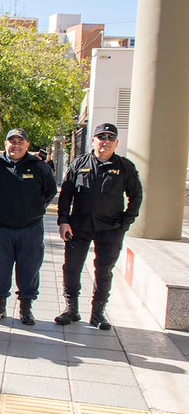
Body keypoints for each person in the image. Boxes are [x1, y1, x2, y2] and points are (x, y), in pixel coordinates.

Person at [55, 123, 142, 330]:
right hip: (78, 227)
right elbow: (66, 194)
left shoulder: (124, 167)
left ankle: (98, 313)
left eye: (111, 138)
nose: (106, 141)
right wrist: (63, 221)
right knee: (72, 268)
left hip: (110, 229)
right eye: (101, 137)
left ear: (116, 143)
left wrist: (125, 223)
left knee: (104, 271)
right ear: (93, 140)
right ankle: (71, 309)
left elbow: (136, 196)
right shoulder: (79, 164)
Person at [0, 128, 57, 325]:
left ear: (27, 145)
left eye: (20, 142)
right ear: (5, 144)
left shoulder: (39, 167)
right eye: (12, 141)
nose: (16, 145)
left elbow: (50, 191)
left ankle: (26, 308)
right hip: (0, 228)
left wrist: (35, 209)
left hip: (30, 228)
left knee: (29, 267)